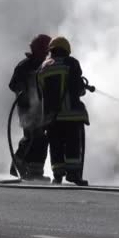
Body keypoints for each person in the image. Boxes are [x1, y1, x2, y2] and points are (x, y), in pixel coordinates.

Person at [37, 36, 89, 186]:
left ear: (51, 50)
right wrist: (82, 90)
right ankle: (73, 174)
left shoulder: (44, 67)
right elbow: (77, 87)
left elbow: (42, 93)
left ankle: (57, 175)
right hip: (71, 115)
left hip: (51, 118)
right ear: (67, 50)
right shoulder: (71, 63)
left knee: (56, 146)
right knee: (73, 144)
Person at [8, 34, 52, 180]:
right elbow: (13, 85)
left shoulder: (46, 65)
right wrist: (23, 91)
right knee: (32, 137)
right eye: (46, 51)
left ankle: (35, 171)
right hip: (27, 108)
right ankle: (18, 162)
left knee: (40, 139)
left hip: (41, 108)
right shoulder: (24, 66)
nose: (48, 54)